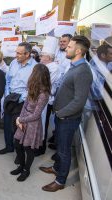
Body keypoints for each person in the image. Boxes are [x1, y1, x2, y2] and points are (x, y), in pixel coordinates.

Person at [40, 35, 93, 192]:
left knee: (64, 151)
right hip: (62, 116)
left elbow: (79, 101)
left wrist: (61, 113)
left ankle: (60, 180)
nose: (65, 49)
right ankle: (57, 168)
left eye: (69, 47)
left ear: (78, 50)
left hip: (67, 118)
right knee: (60, 147)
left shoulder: (83, 71)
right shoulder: (75, 66)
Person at [10, 64, 51, 181]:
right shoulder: (33, 88)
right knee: (17, 144)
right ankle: (21, 166)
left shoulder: (44, 94)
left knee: (29, 149)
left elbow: (36, 115)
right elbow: (25, 105)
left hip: (33, 124)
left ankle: (26, 170)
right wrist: (20, 118)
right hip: (23, 119)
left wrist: (20, 120)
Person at [0, 42, 37, 156]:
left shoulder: (35, 67)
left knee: (18, 128)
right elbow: (8, 79)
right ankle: (9, 147)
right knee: (7, 124)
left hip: (22, 101)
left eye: (19, 53)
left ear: (27, 54)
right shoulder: (14, 63)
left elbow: (33, 88)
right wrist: (7, 94)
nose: (16, 55)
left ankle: (19, 154)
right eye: (16, 52)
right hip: (10, 97)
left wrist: (21, 99)